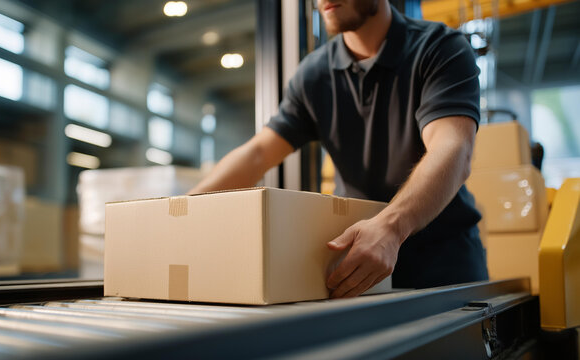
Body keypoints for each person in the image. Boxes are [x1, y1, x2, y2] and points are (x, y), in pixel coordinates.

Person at [189, 0, 488, 298]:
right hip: (358, 270)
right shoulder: (314, 74)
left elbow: (453, 148)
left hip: (444, 271)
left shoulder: (440, 47)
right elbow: (258, 153)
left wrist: (391, 228)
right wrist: (182, 212)